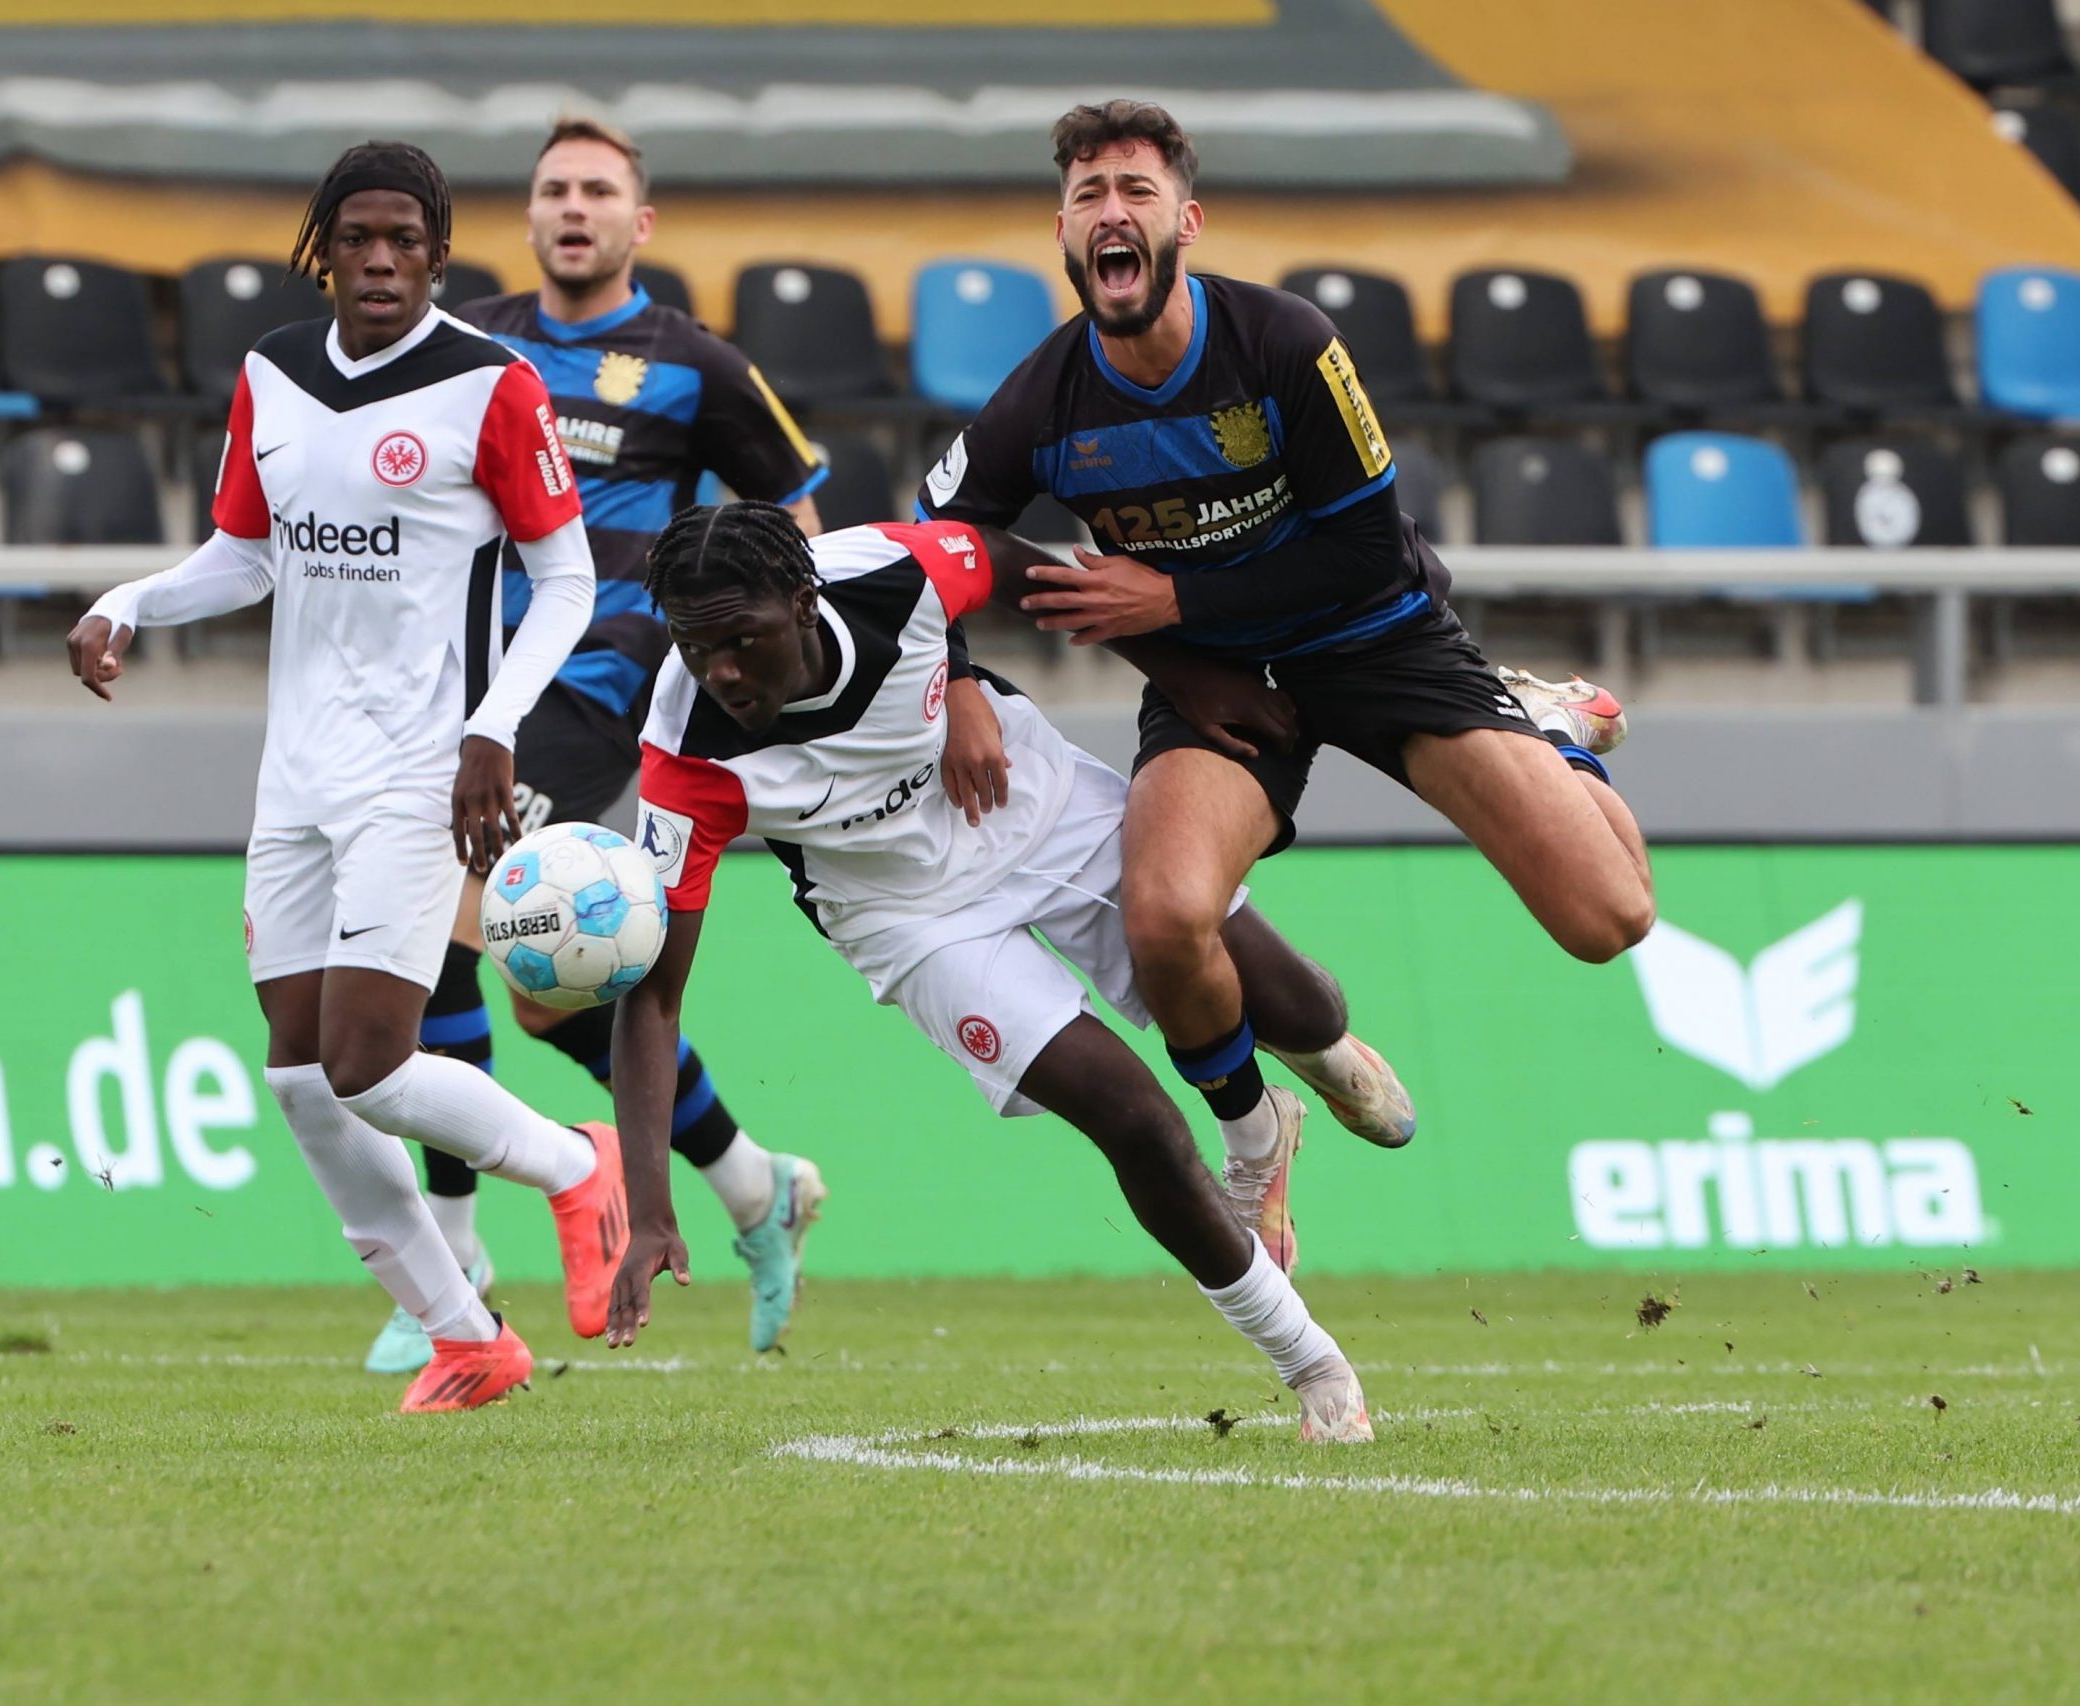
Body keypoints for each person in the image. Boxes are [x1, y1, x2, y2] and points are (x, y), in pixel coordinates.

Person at [919, 101, 1654, 1191]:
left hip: (1378, 639)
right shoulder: (1041, 399)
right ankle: (1257, 1144)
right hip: (1221, 675)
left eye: (1136, 191)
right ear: (1063, 232)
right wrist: (964, 684)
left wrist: (1170, 597)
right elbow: (932, 539)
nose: (1111, 212)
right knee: (1164, 919)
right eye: (1087, 195)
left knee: (1609, 920)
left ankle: (1549, 735)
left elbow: (1366, 552)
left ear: (1186, 222)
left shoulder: (1286, 343)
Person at [602, 502, 1404, 1444]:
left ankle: (1294, 1088)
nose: (723, 672)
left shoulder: (892, 571)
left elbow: (1018, 568)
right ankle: (1312, 1365)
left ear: (805, 601)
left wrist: (1167, 677)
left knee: (1297, 1007)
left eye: (744, 640)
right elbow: (653, 997)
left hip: (1039, 807)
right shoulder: (687, 752)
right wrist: (649, 1209)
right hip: (910, 918)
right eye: (698, 648)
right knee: (1134, 1118)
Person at [64, 140, 629, 1416]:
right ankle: (463, 1334)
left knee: (369, 1063)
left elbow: (568, 579)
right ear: (323, 252)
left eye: (404, 241)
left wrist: (493, 727)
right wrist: (132, 599)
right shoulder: (271, 372)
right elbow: (246, 552)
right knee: (298, 1075)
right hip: (298, 775)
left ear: (439, 255)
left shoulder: (493, 385)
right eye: (357, 239)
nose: (380, 260)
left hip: (422, 771)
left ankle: (572, 1161)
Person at [356, 117, 847, 1374]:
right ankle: (755, 1184)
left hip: (593, 684)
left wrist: (789, 680)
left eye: (598, 190)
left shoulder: (697, 366)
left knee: (434, 935)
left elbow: (800, 527)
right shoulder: (469, 343)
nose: (575, 208)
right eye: (554, 189)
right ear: (526, 218)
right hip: (460, 690)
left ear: (641, 222)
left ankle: (451, 1267)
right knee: (546, 995)